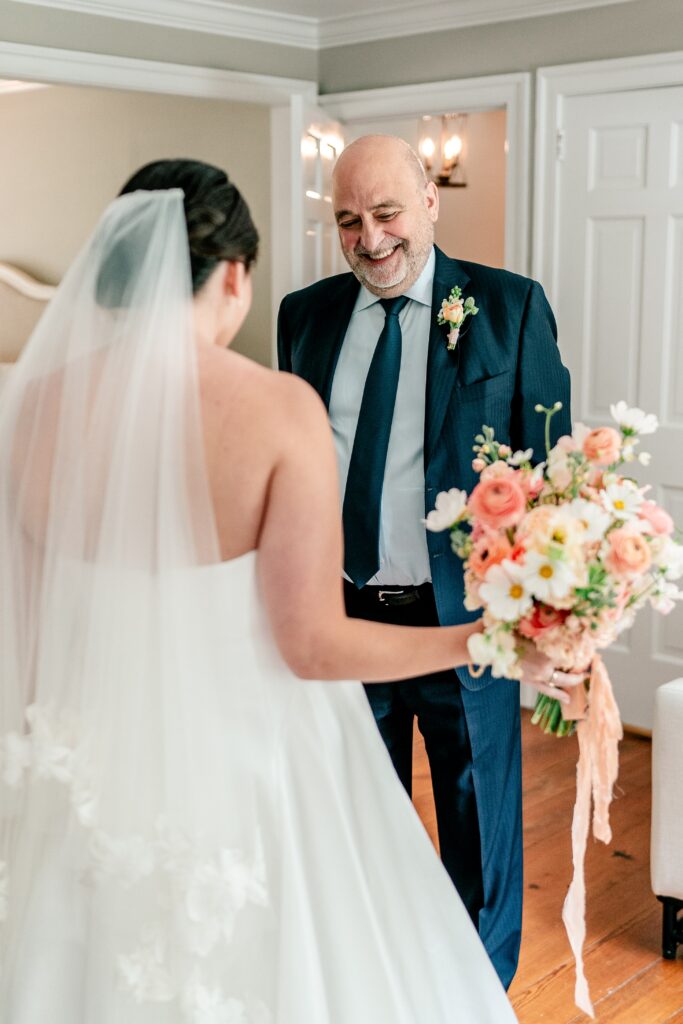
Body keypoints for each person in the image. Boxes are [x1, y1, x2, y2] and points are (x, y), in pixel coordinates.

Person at [0, 158, 572, 1023]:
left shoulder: (28, 409)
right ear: (234, 275)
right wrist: (489, 641)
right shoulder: (275, 404)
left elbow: (30, 638)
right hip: (251, 755)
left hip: (90, 761)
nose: (368, 237)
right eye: (349, 219)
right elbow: (308, 643)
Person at [278, 134, 573, 988]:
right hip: (342, 623)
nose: (369, 239)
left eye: (386, 212)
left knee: (475, 830)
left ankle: (479, 997)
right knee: (348, 824)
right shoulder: (305, 315)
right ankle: (366, 988)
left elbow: (549, 476)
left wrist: (539, 621)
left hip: (464, 625)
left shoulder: (509, 308)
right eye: (347, 221)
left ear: (431, 201)